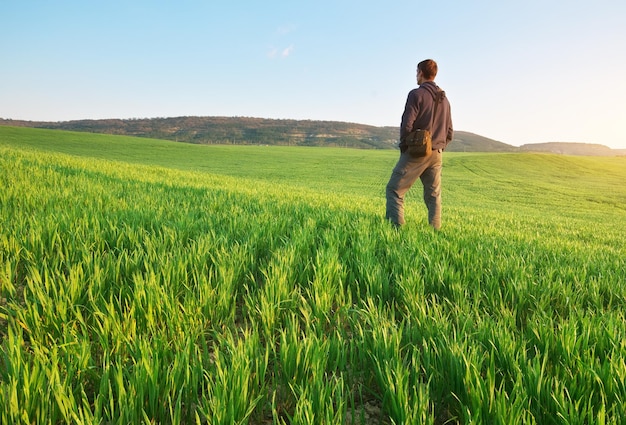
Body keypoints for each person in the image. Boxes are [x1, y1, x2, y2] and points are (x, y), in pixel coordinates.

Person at [385, 59, 453, 230]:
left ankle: (395, 231)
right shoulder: (445, 100)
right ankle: (435, 231)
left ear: (421, 73)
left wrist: (405, 148)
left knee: (394, 190)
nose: (416, 75)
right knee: (433, 195)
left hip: (417, 151)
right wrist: (439, 147)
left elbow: (407, 124)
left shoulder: (416, 94)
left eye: (417, 72)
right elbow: (450, 131)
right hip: (437, 152)